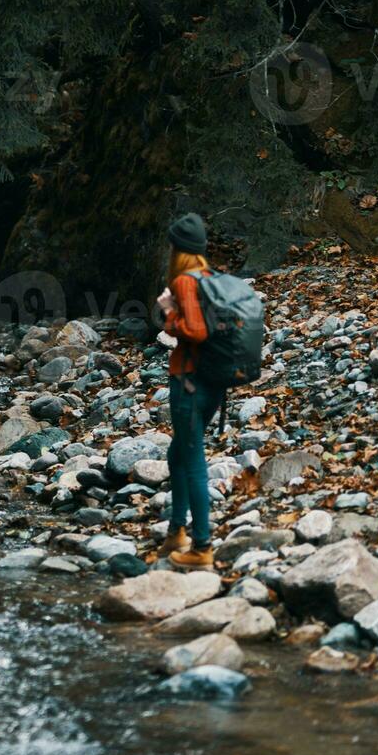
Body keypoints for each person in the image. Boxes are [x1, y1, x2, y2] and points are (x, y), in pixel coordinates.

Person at [155, 213, 225, 571]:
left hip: (189, 382)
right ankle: (176, 532)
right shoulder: (210, 278)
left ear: (177, 250)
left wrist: (168, 313)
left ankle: (201, 548)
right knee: (178, 453)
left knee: (193, 460)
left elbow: (194, 331)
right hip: (212, 384)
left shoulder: (184, 282)